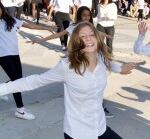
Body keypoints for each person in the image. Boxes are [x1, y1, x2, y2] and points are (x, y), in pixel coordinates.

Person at [0, 22, 136, 138]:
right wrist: (3, 89)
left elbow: (109, 64)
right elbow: (36, 81)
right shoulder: (67, 66)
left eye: (91, 34)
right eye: (82, 36)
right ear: (77, 42)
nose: (88, 39)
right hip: (78, 133)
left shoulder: (101, 57)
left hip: (100, 128)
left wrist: (121, 69)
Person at [0, 1, 55, 120]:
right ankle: (20, 109)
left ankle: (3, 89)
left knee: (18, 79)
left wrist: (47, 27)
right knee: (17, 82)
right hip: (3, 56)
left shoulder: (11, 20)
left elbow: (30, 26)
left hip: (15, 54)